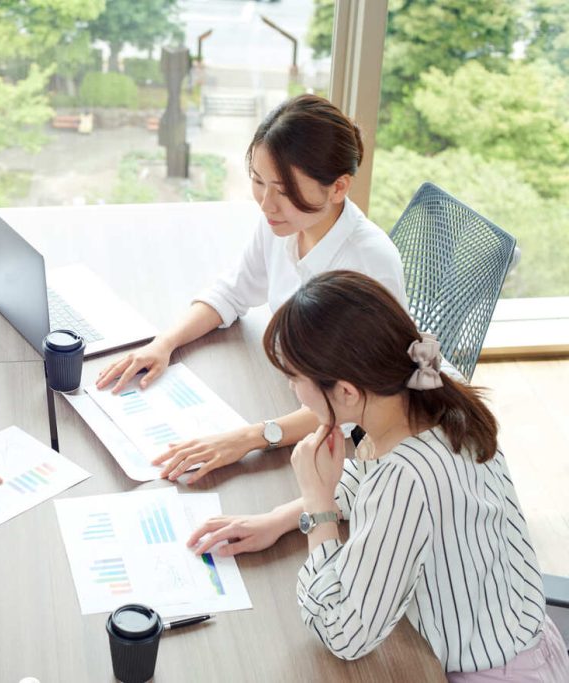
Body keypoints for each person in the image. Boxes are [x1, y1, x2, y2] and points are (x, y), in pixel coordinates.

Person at [188, 270, 569, 681]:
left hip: (490, 671)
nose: (292, 390)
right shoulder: (430, 384)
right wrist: (280, 519)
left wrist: (319, 508)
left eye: (294, 379)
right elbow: (372, 484)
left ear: (347, 393)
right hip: (526, 640)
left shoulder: (404, 477)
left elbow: (343, 632)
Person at [95, 94, 406, 485]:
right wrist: (164, 343)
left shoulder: (368, 263)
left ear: (339, 187)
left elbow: (356, 401)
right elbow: (233, 291)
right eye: (258, 183)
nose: (266, 204)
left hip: (348, 442)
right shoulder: (285, 223)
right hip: (285, 385)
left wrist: (248, 438)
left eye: (283, 190)